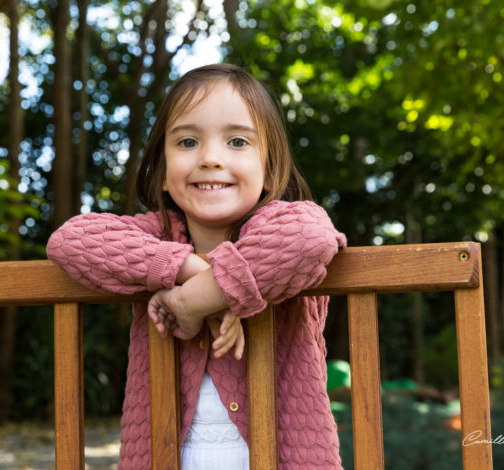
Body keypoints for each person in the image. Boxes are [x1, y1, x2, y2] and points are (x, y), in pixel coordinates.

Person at [46, 63, 347, 469]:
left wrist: (188, 305)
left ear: (269, 170)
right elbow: (70, 241)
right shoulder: (158, 234)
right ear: (163, 174)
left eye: (237, 142)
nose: (209, 158)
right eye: (187, 142)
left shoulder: (280, 225)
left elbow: (311, 238)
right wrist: (193, 273)